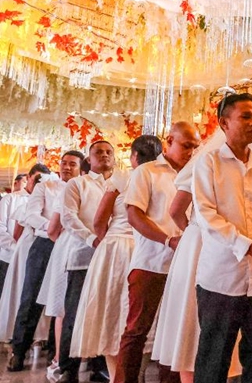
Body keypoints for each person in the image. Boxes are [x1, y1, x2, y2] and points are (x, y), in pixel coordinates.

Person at [191, 93, 252, 383]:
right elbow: (206, 216)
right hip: (221, 279)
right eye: (245, 117)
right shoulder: (209, 163)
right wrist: (248, 246)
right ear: (224, 123)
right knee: (214, 359)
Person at [152, 126, 244, 383]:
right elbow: (176, 210)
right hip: (200, 244)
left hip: (226, 242)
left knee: (217, 320)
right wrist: (194, 231)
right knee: (192, 320)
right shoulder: (204, 163)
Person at [70, 136, 163, 382]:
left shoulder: (123, 178)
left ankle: (116, 376)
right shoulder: (164, 178)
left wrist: (106, 238)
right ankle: (136, 374)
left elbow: (100, 219)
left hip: (116, 251)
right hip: (150, 251)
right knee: (139, 318)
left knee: (111, 317)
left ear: (134, 157)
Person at [115, 122, 199, 383]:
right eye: (186, 146)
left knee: (176, 332)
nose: (191, 152)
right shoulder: (147, 172)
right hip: (151, 262)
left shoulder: (196, 175)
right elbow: (134, 215)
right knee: (137, 330)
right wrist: (168, 240)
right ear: (169, 140)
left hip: (184, 265)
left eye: (195, 147)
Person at [7, 151, 84, 372]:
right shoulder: (46, 186)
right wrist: (53, 228)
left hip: (71, 246)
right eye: (64, 163)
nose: (67, 167)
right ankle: (18, 351)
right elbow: (31, 215)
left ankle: (56, 354)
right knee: (30, 298)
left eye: (72, 164)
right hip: (44, 245)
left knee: (62, 302)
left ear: (81, 168)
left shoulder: (82, 187)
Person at [57, 141, 116, 383]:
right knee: (75, 313)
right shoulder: (77, 184)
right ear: (88, 160)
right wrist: (92, 240)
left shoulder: (120, 185)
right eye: (98, 153)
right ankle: (68, 368)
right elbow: (68, 218)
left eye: (108, 152)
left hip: (111, 259)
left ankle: (99, 365)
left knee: (104, 311)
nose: (104, 156)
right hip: (83, 256)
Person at [0, 164, 52, 345]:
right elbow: (7, 230)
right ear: (28, 178)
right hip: (15, 252)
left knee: (34, 293)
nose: (39, 184)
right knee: (19, 292)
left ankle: (37, 335)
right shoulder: (12, 200)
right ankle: (16, 334)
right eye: (36, 179)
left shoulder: (49, 198)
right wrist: (14, 248)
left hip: (40, 251)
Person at [0, 174, 29, 300]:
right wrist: (14, 246)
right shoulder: (10, 199)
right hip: (8, 256)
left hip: (28, 259)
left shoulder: (45, 201)